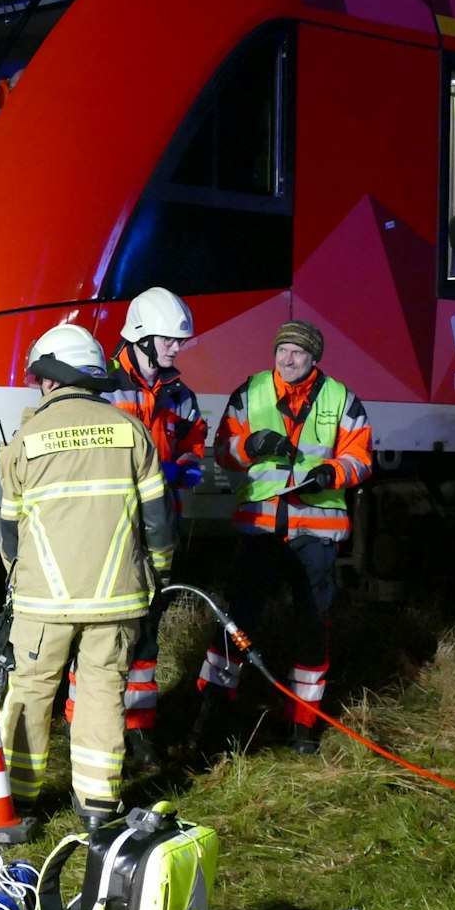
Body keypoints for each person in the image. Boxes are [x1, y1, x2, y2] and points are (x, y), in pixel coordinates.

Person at [0, 324, 174, 838]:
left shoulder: (25, 440)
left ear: (51, 380)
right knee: (102, 691)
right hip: (118, 598)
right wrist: (159, 570)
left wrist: (18, 579)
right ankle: (98, 801)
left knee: (30, 690)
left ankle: (19, 795)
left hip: (43, 602)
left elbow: (11, 532)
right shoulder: (130, 430)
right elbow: (157, 521)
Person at [196, 319, 372, 756]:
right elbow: (223, 452)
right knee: (237, 622)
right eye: (282, 351)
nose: (287, 359)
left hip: (315, 532)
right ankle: (213, 714)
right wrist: (251, 445)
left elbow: (361, 457)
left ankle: (302, 728)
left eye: (297, 352)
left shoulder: (341, 398)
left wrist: (331, 472)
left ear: (314, 358)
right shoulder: (249, 392)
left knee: (313, 628)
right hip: (259, 529)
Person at [64, 287, 206, 766]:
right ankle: (81, 724)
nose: (176, 348)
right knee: (97, 631)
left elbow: (195, 446)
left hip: (157, 530)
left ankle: (139, 731)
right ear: (142, 338)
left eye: (178, 341)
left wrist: (185, 467)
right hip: (108, 530)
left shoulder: (180, 396)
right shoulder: (101, 385)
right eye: (168, 340)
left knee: (146, 636)